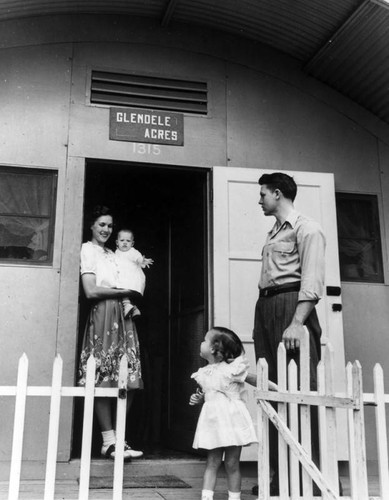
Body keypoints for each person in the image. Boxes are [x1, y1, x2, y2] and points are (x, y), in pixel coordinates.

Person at [251, 172, 326, 496]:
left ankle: (313, 479)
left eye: (263, 194)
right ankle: (280, 478)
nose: (259, 199)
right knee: (272, 390)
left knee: (302, 393)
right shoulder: (273, 232)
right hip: (267, 309)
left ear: (278, 194)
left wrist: (297, 323)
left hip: (292, 308)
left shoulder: (307, 228)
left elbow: (311, 281)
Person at [77, 205, 144, 461]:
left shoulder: (115, 253)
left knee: (128, 377)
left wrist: (129, 295)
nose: (106, 229)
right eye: (102, 224)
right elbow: (91, 290)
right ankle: (108, 441)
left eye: (109, 226)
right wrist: (124, 292)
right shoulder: (88, 250)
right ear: (92, 226)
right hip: (104, 313)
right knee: (103, 375)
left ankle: (120, 439)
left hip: (123, 315)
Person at [189, 326, 277, 500]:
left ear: (215, 349)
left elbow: (252, 378)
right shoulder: (204, 373)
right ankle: (206, 497)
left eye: (205, 340)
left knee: (232, 463)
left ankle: (234, 497)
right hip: (213, 422)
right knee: (212, 461)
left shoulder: (233, 369)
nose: (201, 342)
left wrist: (274, 388)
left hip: (232, 420)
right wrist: (199, 398)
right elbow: (209, 392)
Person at [115, 228, 154, 319]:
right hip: (124, 276)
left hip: (131, 277)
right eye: (122, 240)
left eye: (128, 241)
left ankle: (128, 305)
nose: (125, 243)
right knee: (121, 290)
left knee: (123, 289)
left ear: (132, 243)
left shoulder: (132, 251)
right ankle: (134, 309)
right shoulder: (117, 252)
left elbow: (138, 258)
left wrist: (143, 260)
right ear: (117, 242)